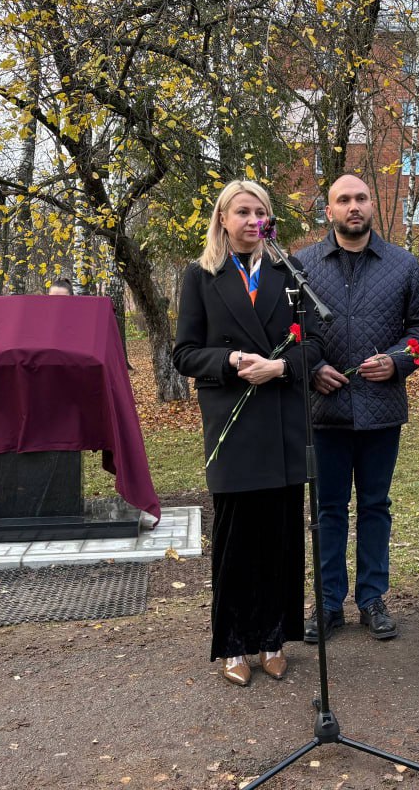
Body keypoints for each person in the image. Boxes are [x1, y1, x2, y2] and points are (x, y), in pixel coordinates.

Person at [173, 180, 310, 687]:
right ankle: (233, 643)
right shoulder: (201, 276)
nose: (254, 221)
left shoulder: (290, 272)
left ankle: (273, 638)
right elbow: (184, 352)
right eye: (243, 212)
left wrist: (280, 367)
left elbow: (315, 342)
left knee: (280, 538)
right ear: (223, 219)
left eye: (262, 213)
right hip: (232, 425)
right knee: (236, 543)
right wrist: (230, 360)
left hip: (279, 423)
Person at [296, 174, 419, 643]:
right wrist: (312, 367)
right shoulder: (302, 267)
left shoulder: (402, 265)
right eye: (344, 200)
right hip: (325, 410)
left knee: (375, 506)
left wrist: (399, 361)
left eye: (360, 198)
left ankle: (373, 598)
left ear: (371, 206)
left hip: (381, 410)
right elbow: (287, 333)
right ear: (329, 210)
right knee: (328, 509)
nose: (353, 207)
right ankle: (328, 602)